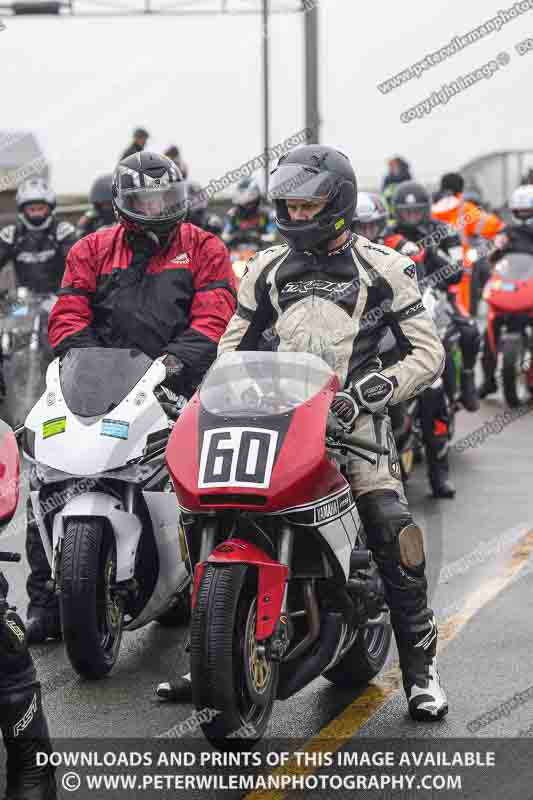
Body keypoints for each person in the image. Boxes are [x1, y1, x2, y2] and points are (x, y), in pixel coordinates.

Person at [159, 145, 448, 721]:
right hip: (278, 416)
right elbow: (233, 347)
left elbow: (428, 352)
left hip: (355, 422)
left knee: (391, 529)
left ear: (336, 202)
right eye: (285, 206)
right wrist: (215, 396)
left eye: (304, 205)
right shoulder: (265, 268)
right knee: (206, 511)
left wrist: (373, 391)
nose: (293, 217)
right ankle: (210, 652)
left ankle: (421, 672)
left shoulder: (386, 268)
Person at [24, 151, 237, 644]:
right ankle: (46, 601)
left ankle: (216, 604)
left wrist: (175, 364)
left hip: (180, 378)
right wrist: (80, 361)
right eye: (147, 198)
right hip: (103, 380)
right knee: (51, 470)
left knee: (214, 484)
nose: (159, 207)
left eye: (167, 197)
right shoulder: (92, 248)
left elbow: (214, 317)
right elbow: (69, 312)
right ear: (122, 204)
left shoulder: (203, 247)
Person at [480, 184, 533, 397]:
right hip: (513, 286)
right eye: (519, 212)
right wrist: (493, 250)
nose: (523, 216)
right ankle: (489, 379)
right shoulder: (506, 232)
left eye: (527, 212)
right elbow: (493, 253)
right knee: (487, 331)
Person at [431, 172, 504, 311]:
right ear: (461, 189)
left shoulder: (429, 209)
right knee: (461, 316)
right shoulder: (465, 210)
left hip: (431, 271)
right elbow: (497, 227)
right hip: (459, 272)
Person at [222, 177, 276, 246]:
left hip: (261, 251)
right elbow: (225, 235)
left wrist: (258, 237)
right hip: (237, 252)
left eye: (244, 195)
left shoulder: (267, 214)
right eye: (240, 194)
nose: (244, 205)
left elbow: (273, 237)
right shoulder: (232, 214)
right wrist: (236, 237)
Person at [75, 173, 115, 238]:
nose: (107, 208)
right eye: (104, 204)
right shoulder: (89, 219)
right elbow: (80, 238)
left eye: (109, 204)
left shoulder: (125, 218)